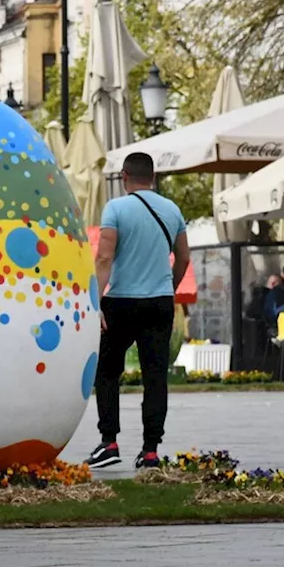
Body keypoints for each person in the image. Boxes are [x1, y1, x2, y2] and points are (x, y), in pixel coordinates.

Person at [85, 153, 189, 470]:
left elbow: (104, 258)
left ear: (125, 176)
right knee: (155, 377)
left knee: (107, 371)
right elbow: (183, 258)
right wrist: (166, 287)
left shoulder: (116, 208)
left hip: (121, 302)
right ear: (153, 177)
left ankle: (109, 442)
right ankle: (151, 451)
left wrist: (95, 302)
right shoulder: (172, 210)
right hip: (159, 302)